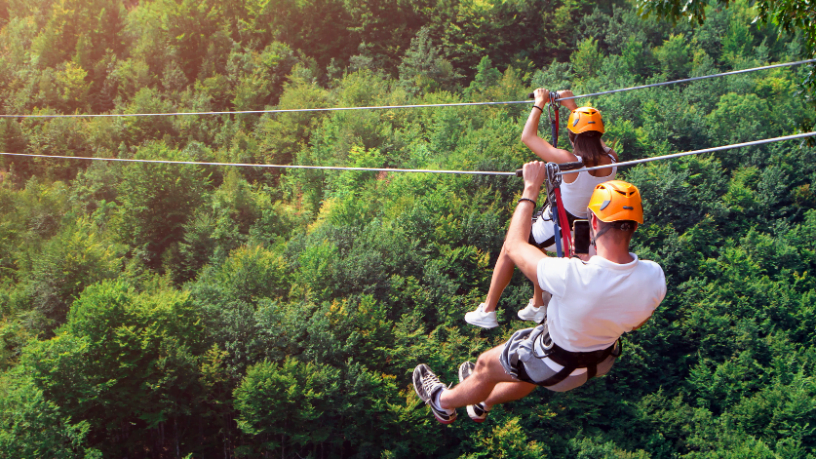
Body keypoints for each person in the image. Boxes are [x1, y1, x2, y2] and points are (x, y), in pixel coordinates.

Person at [413, 164, 666, 424]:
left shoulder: (571, 275)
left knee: (485, 366)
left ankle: (442, 403)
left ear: (593, 221)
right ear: (635, 226)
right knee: (527, 371)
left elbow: (514, 246)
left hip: (554, 363)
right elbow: (636, 323)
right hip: (596, 362)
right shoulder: (654, 277)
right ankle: (482, 402)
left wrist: (531, 188)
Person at [465, 89, 620, 329]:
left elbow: (528, 137)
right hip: (582, 231)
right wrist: (573, 107)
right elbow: (593, 138)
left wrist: (539, 103)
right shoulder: (612, 159)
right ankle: (538, 304)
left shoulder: (569, 162)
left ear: (571, 135)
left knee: (511, 245)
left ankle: (488, 309)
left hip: (558, 228)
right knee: (536, 242)